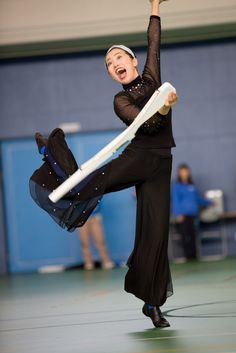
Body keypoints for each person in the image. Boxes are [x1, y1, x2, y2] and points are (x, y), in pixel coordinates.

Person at [30, 0, 178, 328]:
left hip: (162, 164)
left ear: (133, 60)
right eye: (109, 64)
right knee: (86, 185)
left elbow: (154, 41)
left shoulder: (153, 77)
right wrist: (165, 108)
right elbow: (147, 125)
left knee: (156, 236)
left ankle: (152, 303)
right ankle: (52, 156)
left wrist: (154, 6)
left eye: (118, 58)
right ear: (113, 75)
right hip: (137, 158)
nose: (114, 64)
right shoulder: (120, 100)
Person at [172, 164, 212, 260]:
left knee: (193, 235)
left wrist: (209, 202)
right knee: (185, 236)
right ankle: (188, 256)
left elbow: (197, 199)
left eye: (186, 171)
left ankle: (194, 256)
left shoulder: (191, 186)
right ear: (179, 173)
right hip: (183, 216)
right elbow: (176, 201)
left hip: (193, 215)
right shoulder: (177, 186)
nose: (185, 173)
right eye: (182, 171)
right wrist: (178, 214)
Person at [78, 203, 114, 270]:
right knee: (84, 242)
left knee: (100, 240)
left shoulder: (94, 192)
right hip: (81, 218)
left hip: (95, 216)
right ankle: (88, 263)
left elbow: (98, 200)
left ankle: (106, 261)